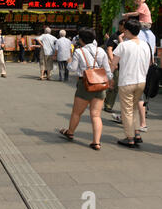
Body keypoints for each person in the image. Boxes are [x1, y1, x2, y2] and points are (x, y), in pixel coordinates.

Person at [59, 27, 113, 151]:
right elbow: (108, 71)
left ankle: (70, 132)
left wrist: (69, 61)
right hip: (100, 85)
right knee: (96, 115)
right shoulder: (101, 51)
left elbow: (72, 68)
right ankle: (96, 142)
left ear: (81, 40)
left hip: (85, 84)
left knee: (77, 112)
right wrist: (109, 81)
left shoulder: (79, 52)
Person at [111, 19, 151, 148]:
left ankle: (130, 138)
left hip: (127, 81)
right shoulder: (146, 45)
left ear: (127, 31)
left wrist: (108, 77)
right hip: (141, 81)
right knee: (133, 108)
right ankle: (137, 133)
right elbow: (149, 63)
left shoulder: (124, 45)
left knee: (127, 110)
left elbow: (113, 64)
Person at [104, 19, 126, 113]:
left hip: (126, 66)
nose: (125, 28)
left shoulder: (129, 37)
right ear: (120, 26)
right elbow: (109, 49)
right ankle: (108, 105)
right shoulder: (114, 36)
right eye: (124, 26)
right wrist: (113, 62)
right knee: (114, 85)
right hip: (116, 65)